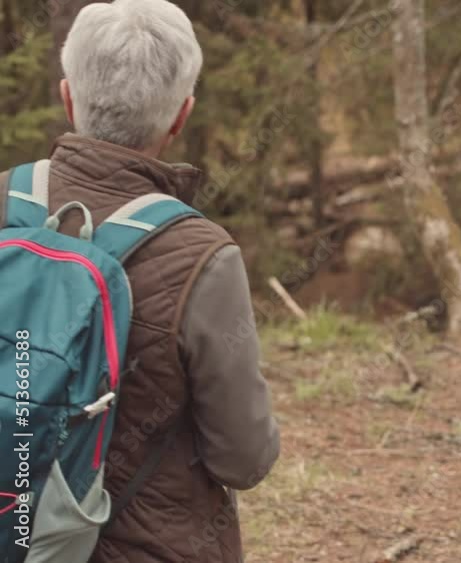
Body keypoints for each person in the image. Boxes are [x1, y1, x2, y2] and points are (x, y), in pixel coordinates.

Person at [0, 1, 280, 561]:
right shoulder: (203, 255)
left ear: (67, 96)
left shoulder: (6, 198)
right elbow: (242, 459)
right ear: (181, 115)